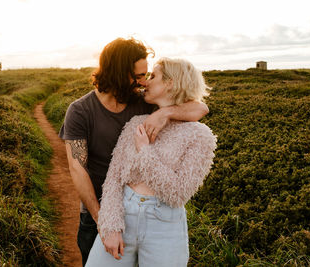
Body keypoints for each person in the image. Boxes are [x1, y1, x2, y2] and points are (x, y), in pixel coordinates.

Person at [58, 38, 209, 266]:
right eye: (137, 76)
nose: (142, 83)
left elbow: (200, 107)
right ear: (118, 72)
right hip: (96, 208)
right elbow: (78, 169)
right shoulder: (80, 111)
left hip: (150, 213)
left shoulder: (142, 104)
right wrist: (105, 222)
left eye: (146, 76)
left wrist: (164, 114)